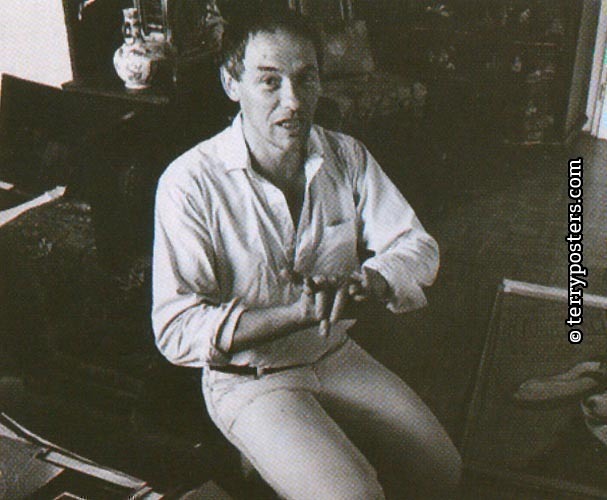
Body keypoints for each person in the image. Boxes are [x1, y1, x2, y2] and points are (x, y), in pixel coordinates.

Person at [152, 11, 461, 499]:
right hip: (250, 378)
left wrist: (372, 280)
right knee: (357, 495)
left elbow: (417, 245)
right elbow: (176, 328)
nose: (293, 101)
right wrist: (294, 313)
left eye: (306, 78)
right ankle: (263, 451)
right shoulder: (189, 183)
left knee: (442, 471)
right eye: (270, 82)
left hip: (334, 353)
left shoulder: (346, 156)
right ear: (231, 83)